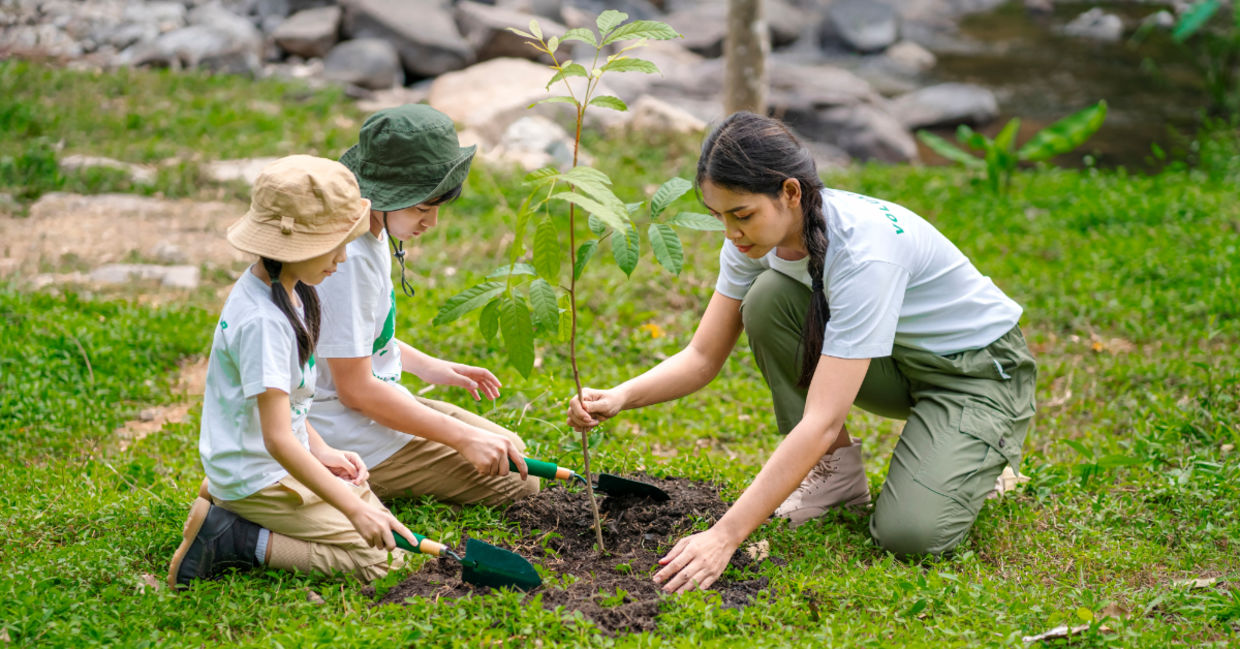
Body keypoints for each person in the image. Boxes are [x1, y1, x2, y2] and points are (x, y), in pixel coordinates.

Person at [567, 112, 1037, 593]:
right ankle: (835, 478)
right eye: (719, 217)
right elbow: (703, 357)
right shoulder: (753, 240)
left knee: (910, 535)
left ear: (791, 193)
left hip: (975, 376)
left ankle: (980, 458)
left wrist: (724, 536)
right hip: (893, 361)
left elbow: (821, 420)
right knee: (768, 300)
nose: (730, 233)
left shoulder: (863, 253)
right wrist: (621, 396)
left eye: (741, 214)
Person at [168, 155, 417, 588]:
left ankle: (230, 507)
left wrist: (322, 451)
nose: (343, 257)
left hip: (269, 464)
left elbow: (293, 410)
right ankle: (236, 538)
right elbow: (277, 438)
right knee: (384, 562)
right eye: (333, 245)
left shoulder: (287, 290)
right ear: (292, 247)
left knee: (383, 525)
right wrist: (353, 509)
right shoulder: (265, 322)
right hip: (261, 475)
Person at [308, 104, 537, 507]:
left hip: (367, 403)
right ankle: (324, 476)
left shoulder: (371, 230)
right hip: (338, 427)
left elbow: (359, 343)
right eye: (421, 208)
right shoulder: (348, 260)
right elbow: (355, 389)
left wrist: (434, 368)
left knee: (511, 449)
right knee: (517, 482)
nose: (431, 223)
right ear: (385, 195)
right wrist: (461, 438)